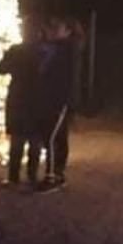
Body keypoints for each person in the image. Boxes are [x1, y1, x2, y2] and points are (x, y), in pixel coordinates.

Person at [34, 15, 84, 193]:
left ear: (68, 31)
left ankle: (52, 176)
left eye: (57, 28)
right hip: (55, 98)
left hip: (60, 99)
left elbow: (60, 76)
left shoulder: (66, 49)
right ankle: (58, 174)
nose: (52, 31)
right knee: (59, 136)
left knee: (52, 137)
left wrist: (66, 100)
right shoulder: (58, 49)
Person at [0, 14, 46, 188]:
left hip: (19, 97)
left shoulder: (16, 50)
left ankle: (13, 176)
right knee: (35, 139)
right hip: (38, 98)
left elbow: (1, 69)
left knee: (18, 139)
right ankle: (32, 175)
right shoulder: (44, 51)